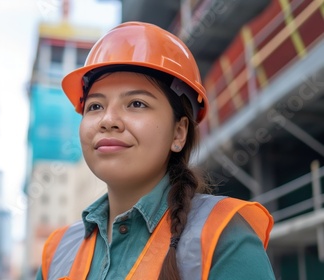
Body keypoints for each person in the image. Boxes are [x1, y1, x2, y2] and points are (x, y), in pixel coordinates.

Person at [36, 21, 275, 280]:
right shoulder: (58, 253)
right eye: (95, 106)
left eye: (136, 103)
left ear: (178, 133)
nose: (108, 119)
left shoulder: (224, 239)